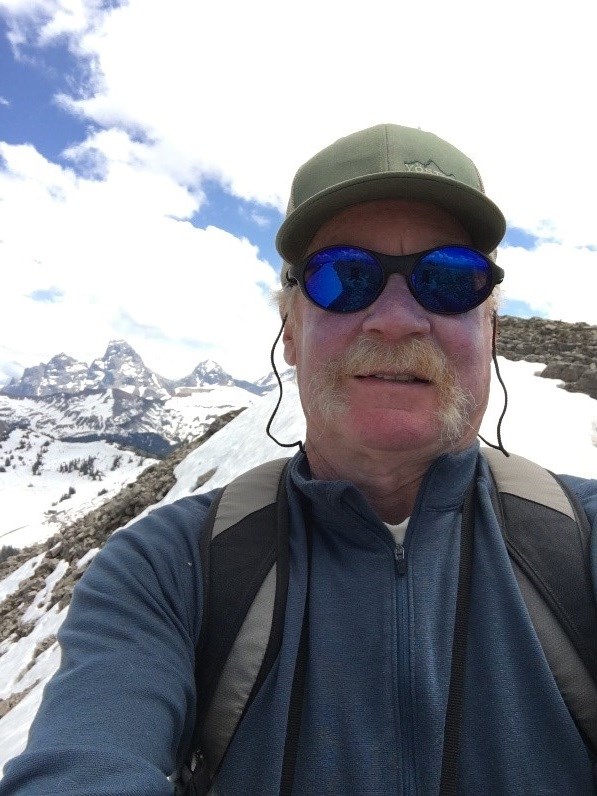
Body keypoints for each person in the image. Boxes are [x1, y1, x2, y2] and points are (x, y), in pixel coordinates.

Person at [1, 124, 596, 795]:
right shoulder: (167, 571)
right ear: (289, 331)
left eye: (447, 280)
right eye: (344, 277)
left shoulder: (581, 544)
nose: (395, 318)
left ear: (488, 329)